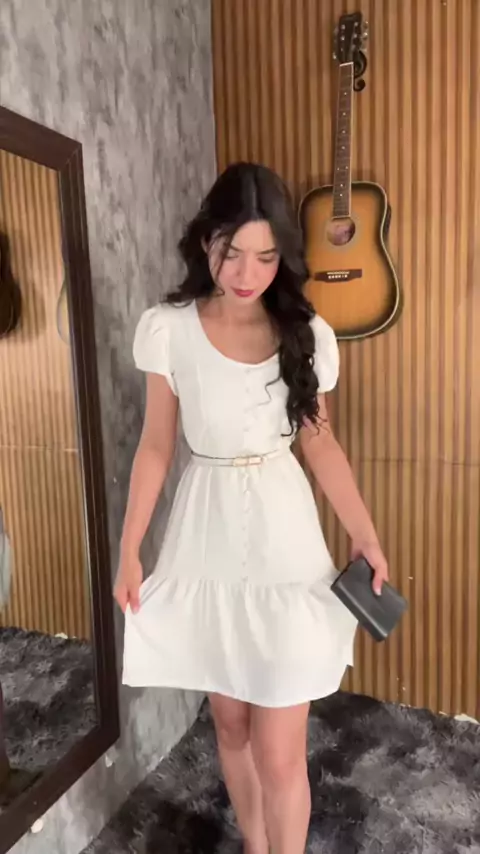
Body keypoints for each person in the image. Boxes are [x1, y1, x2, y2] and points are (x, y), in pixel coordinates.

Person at [114, 162, 388, 854]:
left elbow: (320, 443)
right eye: (231, 251)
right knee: (230, 727)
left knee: (279, 750)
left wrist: (365, 535)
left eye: (266, 257)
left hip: (281, 532)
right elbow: (156, 446)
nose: (247, 272)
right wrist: (130, 548)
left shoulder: (305, 332)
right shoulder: (168, 329)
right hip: (204, 532)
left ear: (284, 255)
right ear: (204, 240)